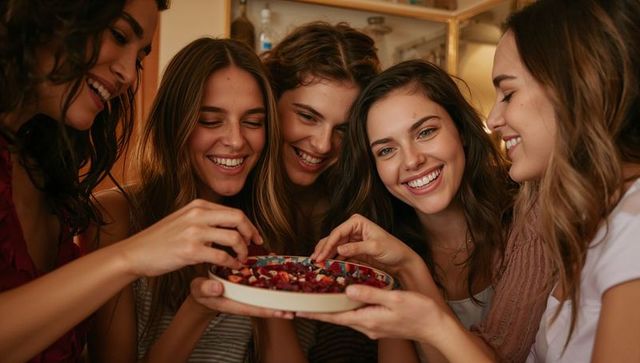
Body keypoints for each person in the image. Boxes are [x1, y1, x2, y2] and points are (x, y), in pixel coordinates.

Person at [0, 1, 275, 362]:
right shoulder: (117, 217)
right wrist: (133, 255)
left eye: (140, 57)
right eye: (118, 35)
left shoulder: (47, 172)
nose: (130, 75)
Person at [303, 59, 552, 362]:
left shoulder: (529, 220)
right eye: (386, 150)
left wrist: (410, 269)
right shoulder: (385, 246)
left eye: (425, 132)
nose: (411, 161)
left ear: (460, 128)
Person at [88, 37, 290, 362]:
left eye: (253, 122)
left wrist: (269, 282)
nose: (237, 141)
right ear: (175, 123)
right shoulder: (115, 215)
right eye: (210, 120)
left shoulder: (268, 224)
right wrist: (198, 309)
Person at [485, 0, 640, 361]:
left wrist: (431, 320)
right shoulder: (590, 222)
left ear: (575, 88)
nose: (493, 119)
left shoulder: (633, 228)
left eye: (508, 94)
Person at [251, 21, 381, 362]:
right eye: (308, 116)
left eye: (342, 129)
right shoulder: (234, 200)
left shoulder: (355, 214)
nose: (323, 145)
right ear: (269, 101)